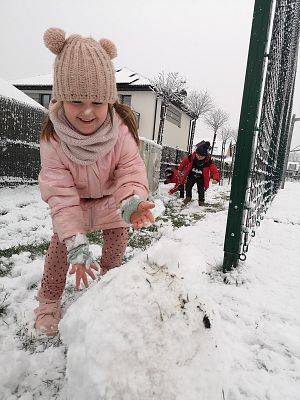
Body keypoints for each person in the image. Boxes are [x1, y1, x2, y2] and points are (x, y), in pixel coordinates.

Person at [34, 28, 155, 336]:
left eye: (98, 102)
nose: (87, 111)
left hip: (111, 202)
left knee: (116, 244)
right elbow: (60, 194)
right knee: (61, 250)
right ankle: (48, 301)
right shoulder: (53, 138)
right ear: (60, 98)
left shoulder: (120, 131)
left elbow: (129, 170)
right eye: (75, 100)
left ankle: (111, 288)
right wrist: (76, 242)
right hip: (73, 206)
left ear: (110, 102)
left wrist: (130, 203)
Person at [178, 141, 220, 206]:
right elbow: (184, 162)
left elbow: (214, 171)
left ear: (205, 156)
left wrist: (216, 179)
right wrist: (180, 169)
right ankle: (188, 197)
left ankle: (201, 201)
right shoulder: (192, 156)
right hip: (192, 175)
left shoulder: (208, 161)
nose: (199, 157)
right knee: (188, 186)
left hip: (201, 177)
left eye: (201, 156)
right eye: (198, 155)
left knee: (201, 190)